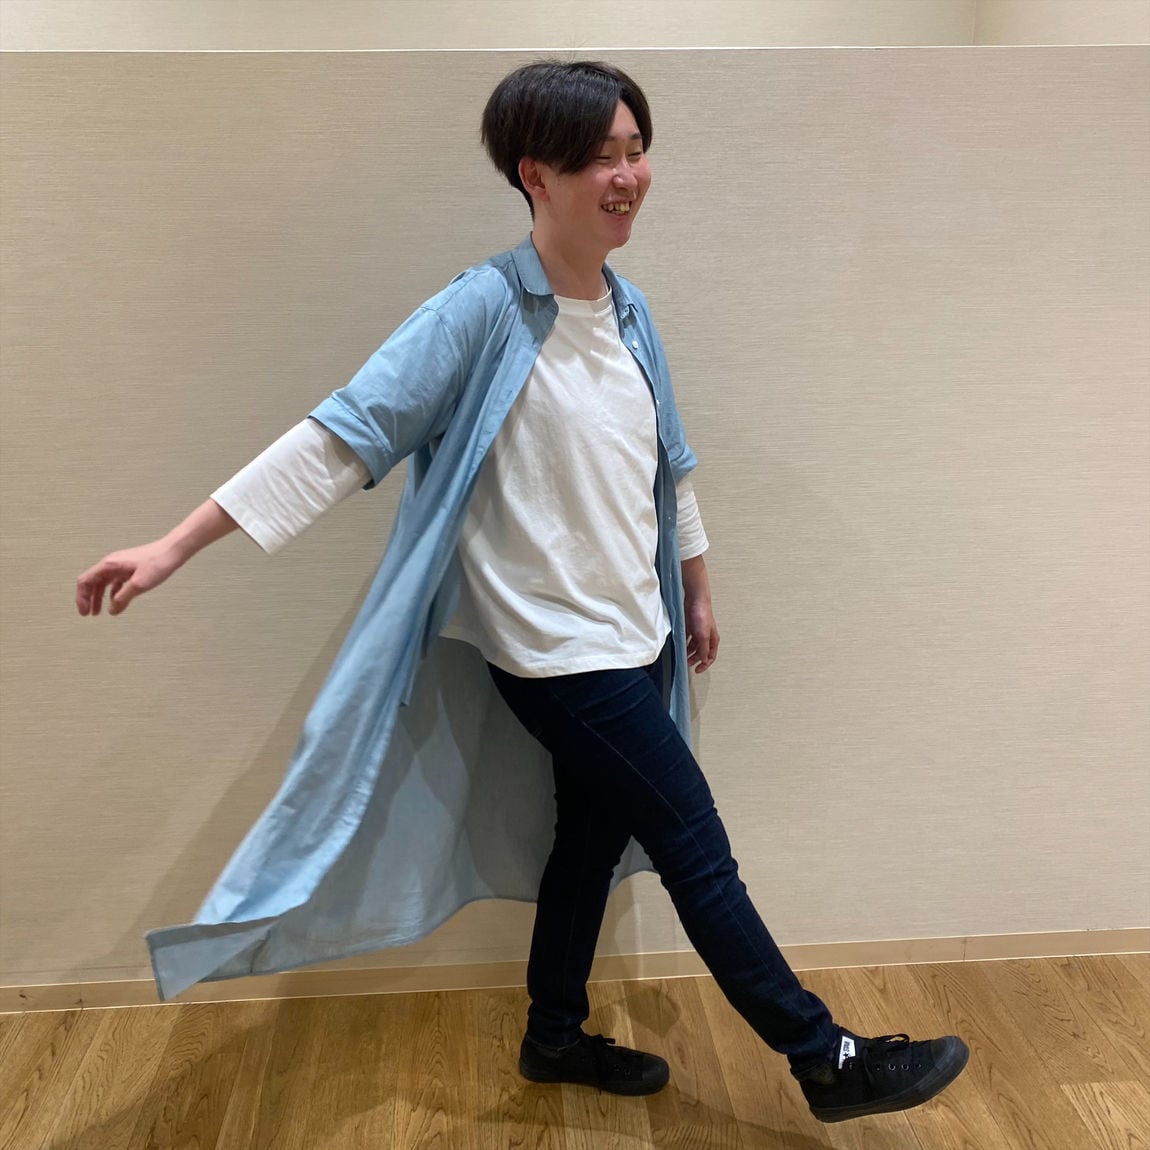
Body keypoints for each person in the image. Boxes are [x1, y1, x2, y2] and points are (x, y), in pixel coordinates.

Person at [76, 60, 968, 1124]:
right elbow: (342, 435)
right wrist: (177, 545)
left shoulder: (629, 313)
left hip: (636, 634)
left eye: (637, 151)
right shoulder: (482, 310)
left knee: (586, 845)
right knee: (695, 847)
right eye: (601, 158)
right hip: (556, 655)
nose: (628, 176)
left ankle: (553, 1036)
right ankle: (825, 1058)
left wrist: (695, 588)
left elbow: (668, 466)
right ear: (534, 174)